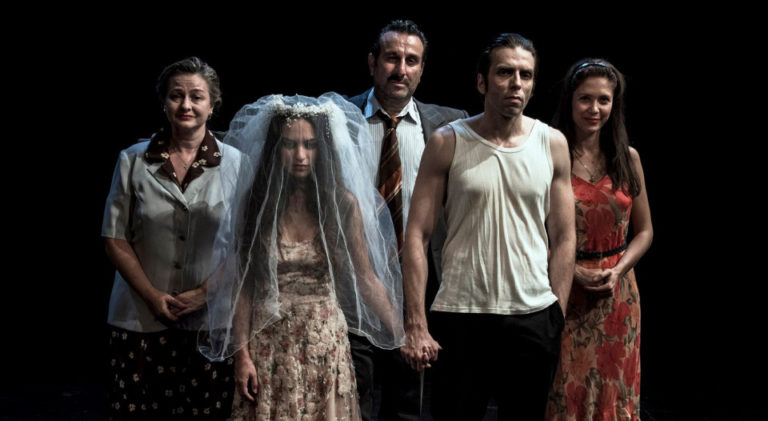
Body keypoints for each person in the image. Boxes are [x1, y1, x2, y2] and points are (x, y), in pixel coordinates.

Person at [400, 33, 576, 420]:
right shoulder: (448, 141)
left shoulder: (552, 143)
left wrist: (556, 314)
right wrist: (415, 321)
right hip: (461, 314)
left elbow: (564, 236)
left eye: (526, 75)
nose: (516, 83)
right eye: (505, 72)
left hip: (532, 316)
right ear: (482, 82)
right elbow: (416, 234)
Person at [199, 93, 405, 420]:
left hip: (324, 340)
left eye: (310, 145)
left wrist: (403, 334)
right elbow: (244, 285)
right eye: (289, 145)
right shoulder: (256, 203)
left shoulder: (341, 204)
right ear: (275, 148)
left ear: (322, 149)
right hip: (269, 345)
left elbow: (366, 278)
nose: (300, 155)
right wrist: (242, 356)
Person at [102, 57, 239, 419]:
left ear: (213, 105)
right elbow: (114, 238)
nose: (186, 105)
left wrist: (205, 292)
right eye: (176, 95)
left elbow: (244, 244)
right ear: (163, 102)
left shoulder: (237, 163)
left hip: (210, 321)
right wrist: (151, 295)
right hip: (139, 318)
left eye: (197, 96)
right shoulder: (132, 160)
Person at [346, 19, 467, 421]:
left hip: (423, 281)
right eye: (391, 58)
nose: (401, 69)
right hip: (354, 282)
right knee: (354, 402)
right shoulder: (338, 118)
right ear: (372, 63)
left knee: (409, 405)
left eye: (411, 60)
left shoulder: (451, 125)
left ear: (422, 68)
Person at [545, 59, 653, 421]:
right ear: (570, 101)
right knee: (566, 390)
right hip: (565, 289)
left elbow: (645, 231)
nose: (594, 108)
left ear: (613, 104)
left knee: (613, 390)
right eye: (585, 98)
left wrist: (618, 271)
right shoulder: (549, 155)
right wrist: (573, 271)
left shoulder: (628, 158)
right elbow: (533, 231)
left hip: (618, 294)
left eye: (603, 100)